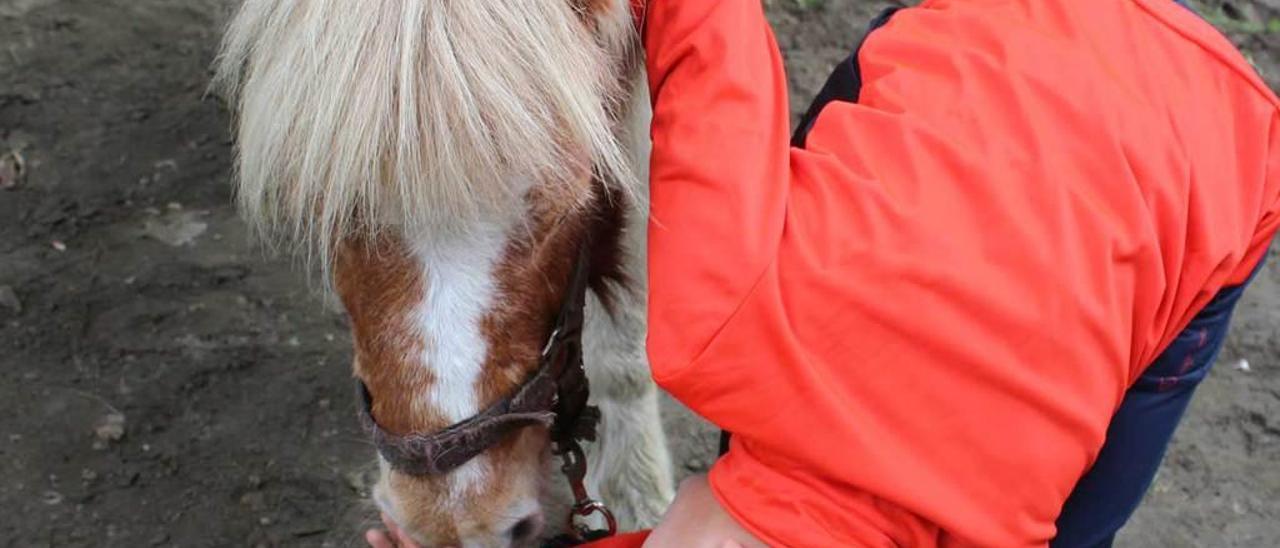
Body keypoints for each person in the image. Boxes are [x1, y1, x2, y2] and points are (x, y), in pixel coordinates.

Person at [369, 0, 1279, 546]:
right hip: (1161, 98)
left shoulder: (1019, 530)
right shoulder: (711, 330)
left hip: (1208, 134)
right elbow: (708, 50)